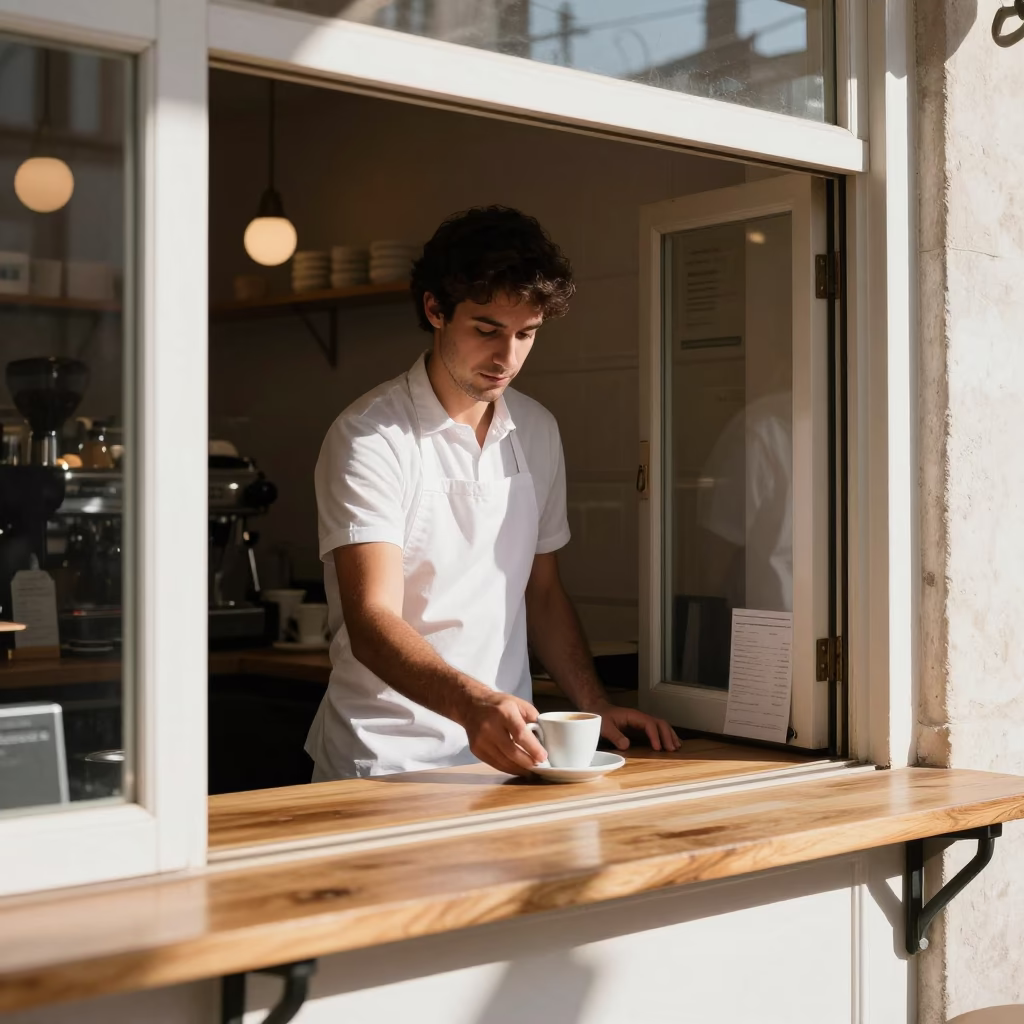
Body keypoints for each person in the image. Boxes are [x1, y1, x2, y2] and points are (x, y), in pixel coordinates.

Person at [305, 206, 680, 781]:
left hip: (508, 758)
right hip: (382, 763)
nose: (507, 357)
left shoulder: (537, 429)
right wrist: (471, 704)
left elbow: (543, 592)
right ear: (435, 309)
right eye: (486, 330)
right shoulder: (371, 436)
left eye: (525, 334)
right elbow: (372, 621)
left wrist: (594, 704)